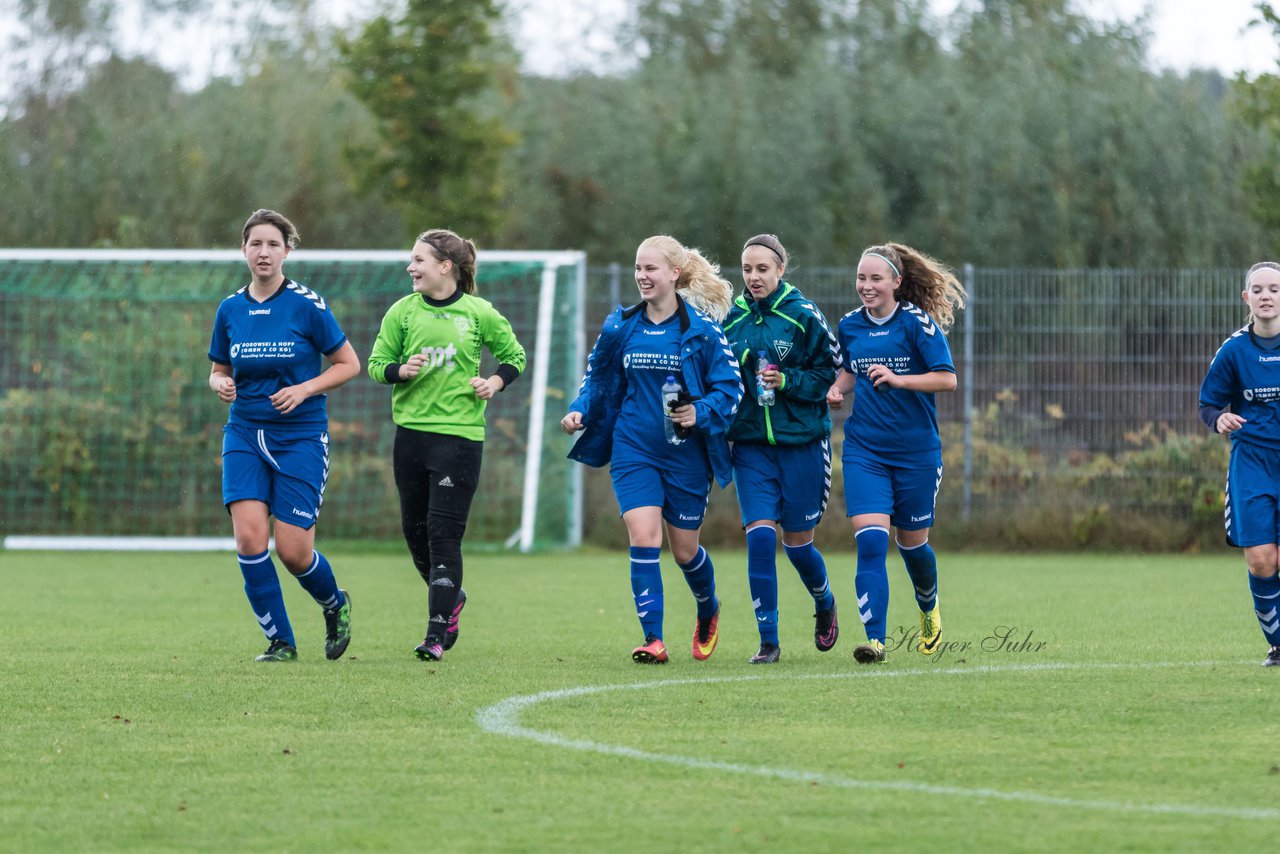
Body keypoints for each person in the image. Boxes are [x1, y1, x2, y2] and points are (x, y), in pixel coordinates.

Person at [561, 235, 742, 664]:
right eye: (638, 268)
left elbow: (731, 389)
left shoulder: (702, 330)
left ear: (674, 274)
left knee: (684, 552)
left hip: (686, 456)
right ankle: (653, 639)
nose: (642, 276)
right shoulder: (622, 326)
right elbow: (598, 381)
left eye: (651, 269)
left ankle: (707, 607)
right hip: (633, 449)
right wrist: (579, 410)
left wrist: (701, 412)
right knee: (644, 538)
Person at [208, 209, 360, 662]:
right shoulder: (230, 308)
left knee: (294, 552)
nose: (264, 252)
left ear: (287, 251)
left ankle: (335, 605)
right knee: (251, 541)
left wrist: (304, 389)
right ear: (243, 250)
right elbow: (218, 370)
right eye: (256, 243)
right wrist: (219, 383)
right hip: (244, 434)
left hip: (300, 438)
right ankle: (281, 642)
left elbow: (348, 364)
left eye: (273, 244)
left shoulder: (306, 305)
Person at [368, 229, 526, 662]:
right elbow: (376, 366)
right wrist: (400, 371)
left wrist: (492, 382)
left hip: (458, 440)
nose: (410, 268)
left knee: (443, 536)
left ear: (445, 267)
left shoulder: (478, 313)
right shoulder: (402, 312)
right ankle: (451, 599)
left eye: (418, 260)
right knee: (414, 533)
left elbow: (515, 357)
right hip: (410, 439)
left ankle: (435, 634)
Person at [826, 242, 965, 664]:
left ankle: (929, 608)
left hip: (917, 454)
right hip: (865, 450)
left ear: (896, 283)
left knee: (912, 544)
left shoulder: (917, 324)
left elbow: (947, 380)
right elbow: (851, 368)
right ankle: (876, 640)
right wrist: (837, 387)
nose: (866, 286)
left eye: (875, 279)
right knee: (870, 541)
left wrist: (901, 379)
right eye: (861, 278)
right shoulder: (850, 325)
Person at [722, 234, 843, 664]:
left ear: (780, 271)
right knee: (758, 539)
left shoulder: (803, 316)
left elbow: (831, 374)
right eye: (747, 270)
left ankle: (824, 601)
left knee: (796, 544)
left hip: (801, 445)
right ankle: (768, 641)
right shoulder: (730, 320)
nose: (753, 278)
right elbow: (718, 376)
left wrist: (788, 381)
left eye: (762, 270)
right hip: (751, 447)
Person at [1198, 261, 1280, 666]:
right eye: (1259, 290)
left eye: (1275, 289)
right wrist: (1220, 419)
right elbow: (1208, 404)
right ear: (1247, 298)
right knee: (1262, 558)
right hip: (1252, 462)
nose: (1267, 296)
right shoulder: (1233, 350)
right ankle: (1278, 644)